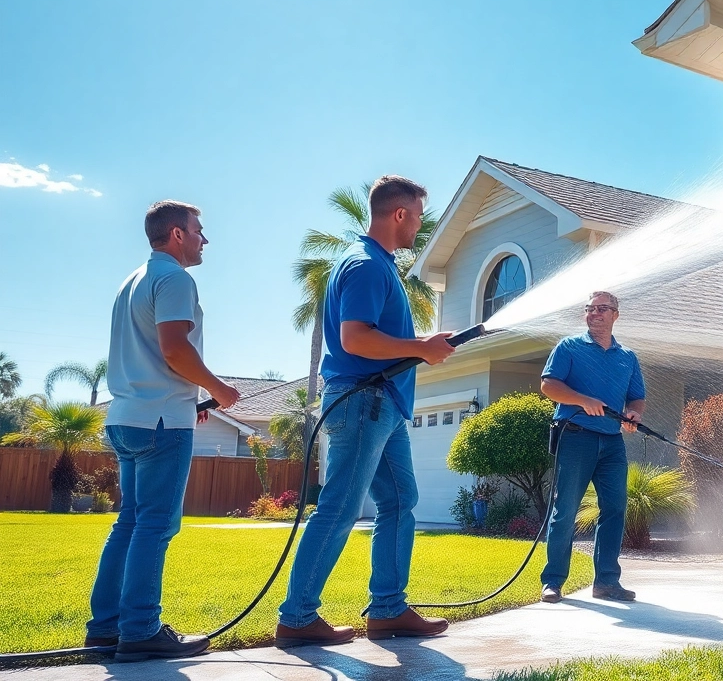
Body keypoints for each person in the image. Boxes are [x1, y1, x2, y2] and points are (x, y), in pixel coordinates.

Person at [274, 175, 456, 647]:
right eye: (418, 216)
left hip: (381, 403)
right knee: (339, 507)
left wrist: (423, 346)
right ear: (399, 213)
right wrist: (421, 347)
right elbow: (355, 338)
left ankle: (389, 609)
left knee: (399, 501)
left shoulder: (378, 264)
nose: (419, 225)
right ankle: (297, 618)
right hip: (363, 401)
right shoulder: (366, 265)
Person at [87, 201, 241, 662]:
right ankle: (140, 631)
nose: (204, 239)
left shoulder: (132, 280)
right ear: (177, 234)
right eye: (198, 230)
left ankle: (106, 627)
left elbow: (154, 356)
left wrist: (189, 399)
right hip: (160, 424)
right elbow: (174, 349)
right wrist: (217, 389)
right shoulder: (175, 279)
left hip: (127, 416)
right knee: (155, 525)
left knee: (130, 522)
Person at [538, 290, 645, 604]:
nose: (594, 313)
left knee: (614, 509)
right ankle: (553, 581)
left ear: (615, 315)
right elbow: (548, 385)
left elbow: (636, 397)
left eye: (602, 308)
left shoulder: (627, 357)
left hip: (612, 442)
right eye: (590, 308)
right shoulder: (568, 347)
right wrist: (583, 400)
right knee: (565, 510)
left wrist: (634, 414)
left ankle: (607, 583)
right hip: (575, 437)